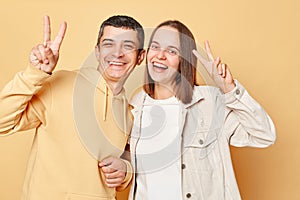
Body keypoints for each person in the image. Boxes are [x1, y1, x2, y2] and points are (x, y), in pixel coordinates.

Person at [0, 15, 145, 200]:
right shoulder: (60, 84)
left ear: (140, 56)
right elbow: (2, 122)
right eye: (109, 44)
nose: (117, 53)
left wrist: (126, 171)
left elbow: (129, 163)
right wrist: (34, 74)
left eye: (128, 46)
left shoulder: (133, 111)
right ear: (97, 51)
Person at [128, 20, 276, 199]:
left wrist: (229, 90)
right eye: (155, 46)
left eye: (172, 51)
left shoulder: (209, 103)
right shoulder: (134, 107)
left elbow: (264, 135)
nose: (160, 55)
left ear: (184, 60)